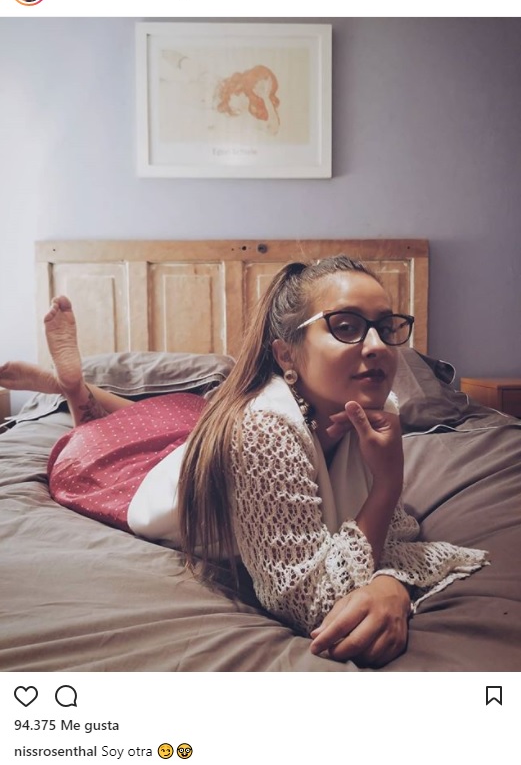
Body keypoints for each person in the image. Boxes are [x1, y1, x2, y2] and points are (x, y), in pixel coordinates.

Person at [0, 256, 487, 667]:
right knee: (106, 433)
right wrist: (386, 486)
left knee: (182, 419)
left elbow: (395, 537)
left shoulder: (379, 411)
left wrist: (390, 584)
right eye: (346, 327)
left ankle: (79, 389)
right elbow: (310, 600)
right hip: (139, 474)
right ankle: (74, 391)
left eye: (387, 327)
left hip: (202, 435)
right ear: (286, 355)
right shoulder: (262, 427)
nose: (377, 346)